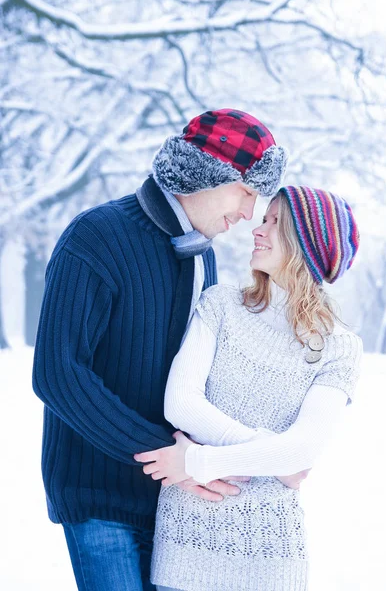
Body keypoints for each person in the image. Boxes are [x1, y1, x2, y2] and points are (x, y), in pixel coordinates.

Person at [32, 108, 295, 591]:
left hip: (174, 501)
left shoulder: (202, 256)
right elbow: (58, 373)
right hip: (100, 494)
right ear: (207, 174)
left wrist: (264, 451)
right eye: (246, 191)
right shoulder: (97, 236)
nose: (248, 213)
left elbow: (204, 379)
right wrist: (159, 450)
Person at [135, 185, 363, 591]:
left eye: (276, 222)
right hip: (187, 538)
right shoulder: (221, 304)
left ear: (307, 244)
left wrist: (199, 462)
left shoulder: (338, 346)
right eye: (263, 219)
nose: (258, 229)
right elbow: (181, 403)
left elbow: (303, 449)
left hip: (270, 555)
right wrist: (274, 458)